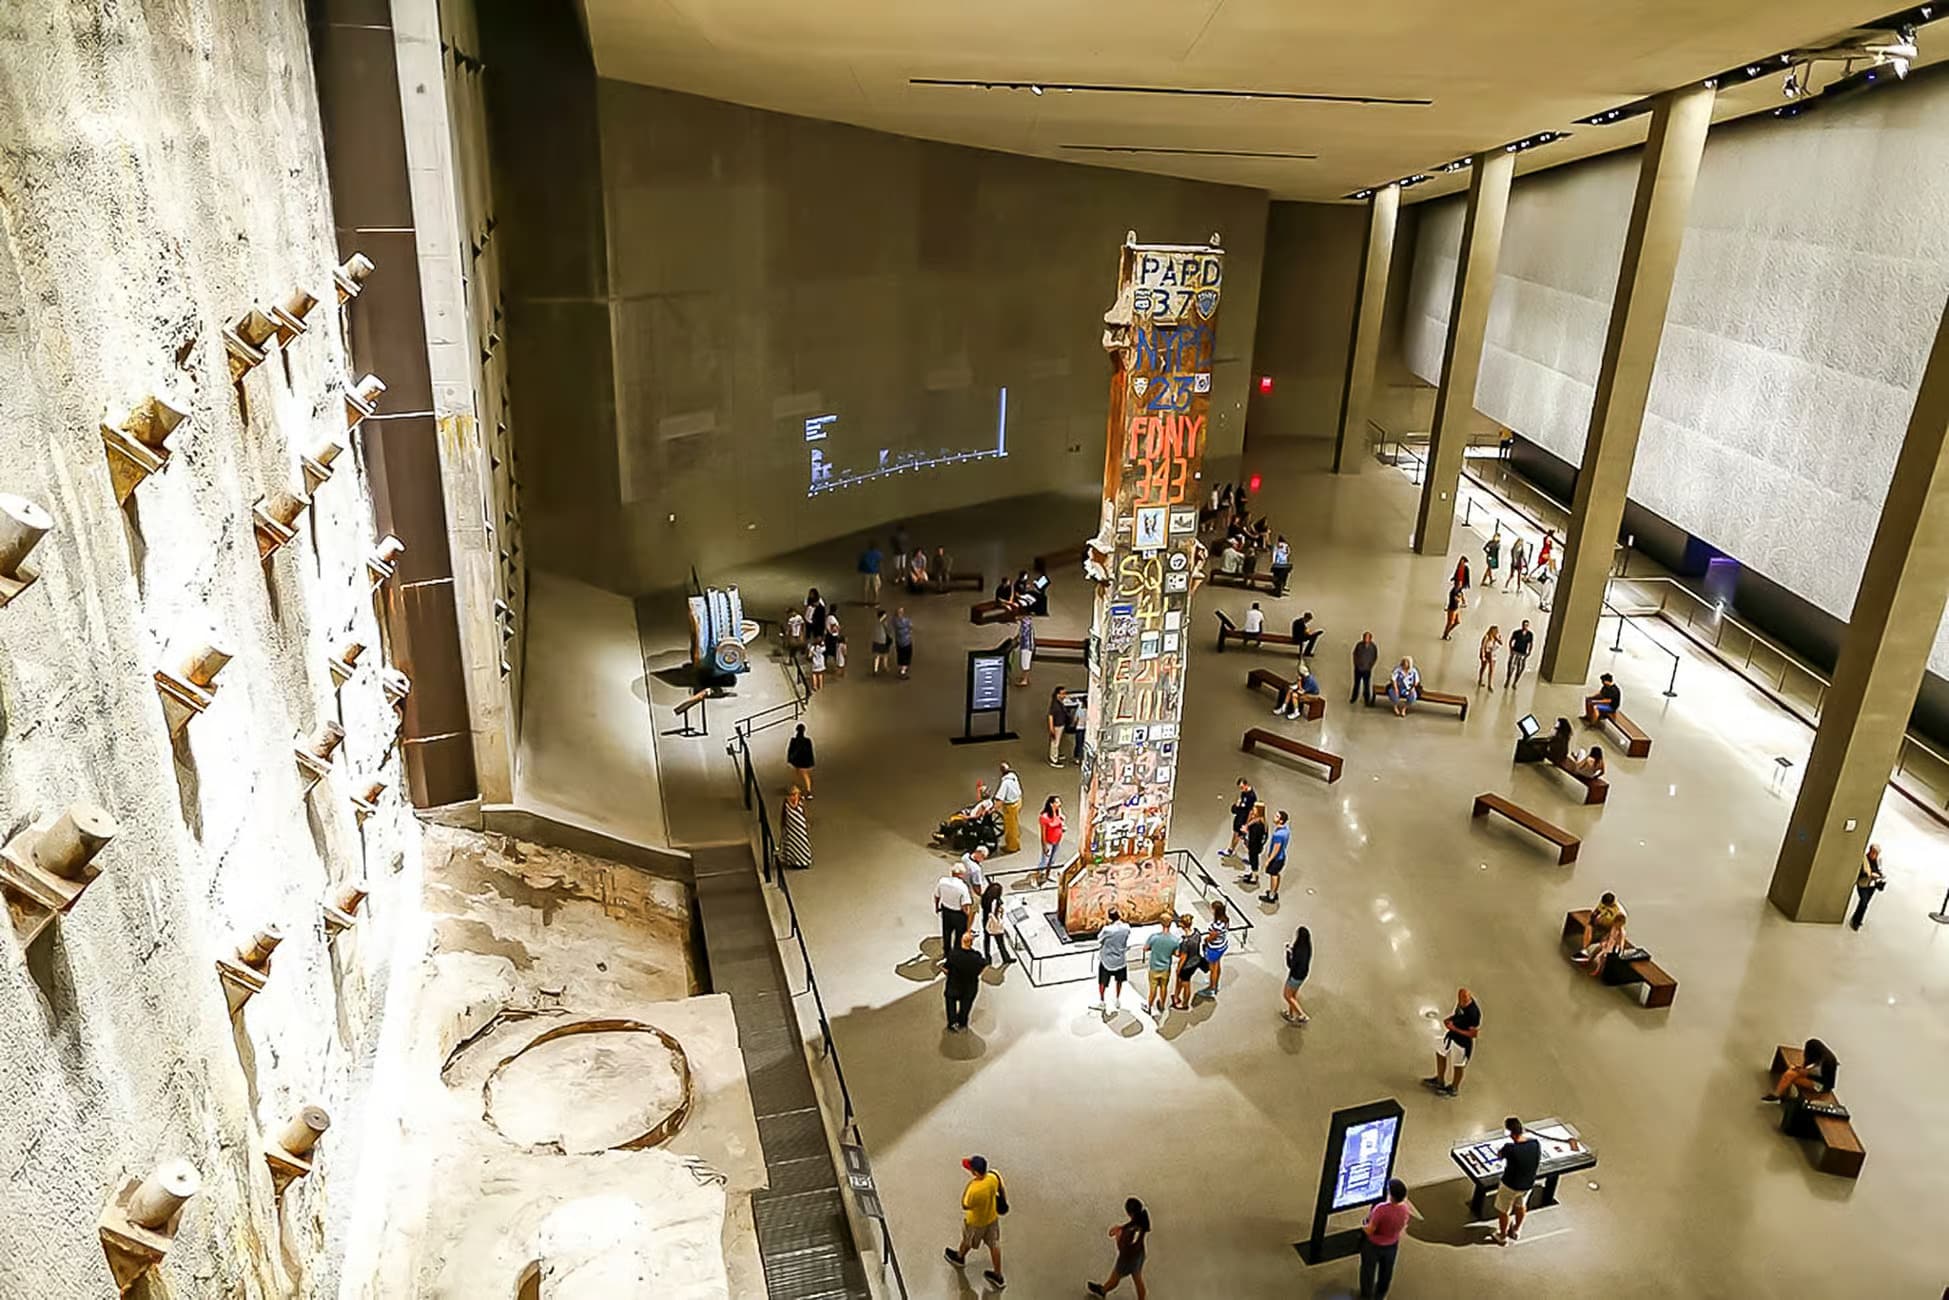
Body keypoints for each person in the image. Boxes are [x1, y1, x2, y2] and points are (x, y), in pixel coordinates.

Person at [944, 1154, 1006, 1289]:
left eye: (971, 1169)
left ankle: (959, 1257)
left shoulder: (974, 1189)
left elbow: (965, 1205)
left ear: (976, 1173)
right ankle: (998, 1276)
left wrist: (968, 1188)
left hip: (976, 1223)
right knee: (994, 1245)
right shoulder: (993, 1176)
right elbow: (1001, 1188)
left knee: (968, 1240)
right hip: (992, 1218)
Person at [1086, 1198, 1151, 1299]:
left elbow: (1122, 1249)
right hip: (1139, 1254)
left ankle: (1103, 1291)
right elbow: (1133, 1224)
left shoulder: (1128, 1233)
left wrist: (1118, 1237)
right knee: (1138, 1279)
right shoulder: (1142, 1220)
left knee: (1115, 1278)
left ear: (1130, 1213)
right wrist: (1121, 1227)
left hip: (1127, 1259)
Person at [1359, 1178, 1412, 1298]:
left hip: (1374, 1245)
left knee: (1368, 1270)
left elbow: (1370, 1230)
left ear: (1391, 1194)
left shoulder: (1381, 1209)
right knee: (1386, 1271)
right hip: (1392, 1245)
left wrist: (1363, 1226)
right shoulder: (1405, 1209)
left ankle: (1366, 1295)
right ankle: (1380, 1294)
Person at [1491, 1117, 1541, 1246]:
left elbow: (1500, 1155)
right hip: (1527, 1184)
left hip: (1510, 1185)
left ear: (1510, 1133)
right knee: (1521, 1205)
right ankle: (1516, 1230)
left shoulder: (1510, 1148)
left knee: (1504, 1210)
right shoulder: (1535, 1144)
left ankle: (1502, 1236)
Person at [1424, 986, 1479, 1096]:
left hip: (1462, 1043)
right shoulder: (1461, 1003)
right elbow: (1457, 1014)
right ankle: (1439, 1080)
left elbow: (1473, 1034)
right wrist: (1450, 1019)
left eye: (1463, 1001)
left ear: (1468, 999)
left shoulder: (1474, 1014)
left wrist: (1454, 1028)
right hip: (1451, 1037)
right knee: (1440, 1052)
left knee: (1458, 1065)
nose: (1460, 1003)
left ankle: (1454, 1088)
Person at [1764, 1036, 1839, 1101]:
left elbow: (1826, 1081)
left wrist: (1807, 1074)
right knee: (1791, 1073)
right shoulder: (1820, 1056)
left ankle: (1778, 1095)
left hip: (1821, 1085)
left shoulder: (1828, 1062)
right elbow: (1809, 1065)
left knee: (1791, 1077)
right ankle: (1778, 1094)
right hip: (1814, 1076)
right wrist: (1800, 1068)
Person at [943, 925, 988, 1031]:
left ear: (961, 941)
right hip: (969, 987)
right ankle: (962, 1022)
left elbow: (945, 969)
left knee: (951, 1003)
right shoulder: (976, 957)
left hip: (954, 985)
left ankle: (952, 1023)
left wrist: (950, 975)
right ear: (971, 942)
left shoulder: (953, 954)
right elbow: (983, 966)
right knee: (966, 1005)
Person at [1574, 891, 1628, 976]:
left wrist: (1612, 943)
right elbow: (1595, 913)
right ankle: (1585, 952)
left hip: (1612, 932)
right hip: (1602, 925)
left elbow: (1618, 932)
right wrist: (1593, 921)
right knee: (1588, 928)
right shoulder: (1603, 903)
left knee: (1602, 948)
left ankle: (1598, 969)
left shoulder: (1620, 914)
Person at [1096, 908, 1131, 1015]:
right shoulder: (1126, 928)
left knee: (1102, 982)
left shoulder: (1107, 930)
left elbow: (1099, 939)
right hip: (1120, 960)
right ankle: (1117, 999)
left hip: (1107, 961)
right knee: (1119, 981)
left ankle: (1102, 1001)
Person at [934, 865, 974, 956]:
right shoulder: (963, 887)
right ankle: (956, 954)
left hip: (946, 911)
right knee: (959, 935)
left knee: (946, 933)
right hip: (959, 914)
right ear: (961, 875)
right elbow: (965, 905)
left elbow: (936, 896)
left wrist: (936, 907)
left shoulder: (942, 881)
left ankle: (947, 952)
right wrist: (968, 917)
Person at [1144, 920, 1179, 1017]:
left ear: (1161, 923)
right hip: (1165, 968)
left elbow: (1145, 948)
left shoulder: (1154, 937)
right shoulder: (1174, 940)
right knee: (1164, 987)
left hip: (1154, 967)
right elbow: (1177, 953)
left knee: (1153, 989)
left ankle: (1149, 1006)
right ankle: (1162, 1004)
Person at [1169, 913, 1203, 1010]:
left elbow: (1183, 957)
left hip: (1187, 966)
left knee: (1186, 984)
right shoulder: (1197, 933)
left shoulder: (1185, 942)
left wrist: (1178, 969)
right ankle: (1176, 997)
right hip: (1196, 960)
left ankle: (1185, 1004)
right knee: (1181, 981)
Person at [1199, 899, 1231, 996]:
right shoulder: (1226, 920)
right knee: (1217, 965)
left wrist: (1206, 940)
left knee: (1213, 968)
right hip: (1222, 945)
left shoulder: (1216, 925)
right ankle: (1215, 983)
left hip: (1214, 948)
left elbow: (1213, 936)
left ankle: (1212, 988)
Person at [1852, 844, 1887, 931]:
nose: (1875, 855)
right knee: (1863, 902)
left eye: (1877, 853)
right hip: (1863, 884)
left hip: (1872, 885)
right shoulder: (1864, 860)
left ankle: (1857, 918)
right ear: (1870, 851)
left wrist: (1880, 875)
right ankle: (1856, 922)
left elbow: (1880, 870)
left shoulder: (1878, 861)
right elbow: (1859, 872)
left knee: (1865, 904)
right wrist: (1870, 875)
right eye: (1874, 853)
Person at [1219, 778, 1257, 858]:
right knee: (1235, 833)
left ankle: (1251, 855)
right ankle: (1231, 849)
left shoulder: (1251, 796)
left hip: (1244, 819)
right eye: (1240, 788)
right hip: (1239, 816)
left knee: (1239, 836)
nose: (1241, 789)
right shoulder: (1243, 793)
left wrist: (1247, 824)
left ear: (1246, 785)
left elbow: (1251, 811)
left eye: (1242, 787)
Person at [1281, 922, 1311, 1023]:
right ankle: (1290, 1015)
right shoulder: (1307, 948)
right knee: (1293, 995)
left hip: (1295, 976)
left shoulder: (1298, 952)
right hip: (1303, 975)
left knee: (1287, 995)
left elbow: (1290, 965)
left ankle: (1302, 1015)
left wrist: (1288, 953)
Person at [979, 880, 1013, 967]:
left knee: (987, 939)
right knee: (1000, 941)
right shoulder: (995, 902)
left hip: (986, 921)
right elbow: (995, 913)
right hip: (994, 922)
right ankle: (1005, 957)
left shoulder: (985, 898)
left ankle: (987, 957)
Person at [778, 786, 813, 869]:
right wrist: (783, 825)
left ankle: (804, 861)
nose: (793, 796)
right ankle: (793, 861)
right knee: (791, 844)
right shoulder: (786, 803)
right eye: (792, 794)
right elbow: (783, 815)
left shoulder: (801, 801)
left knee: (802, 842)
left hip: (800, 826)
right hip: (791, 827)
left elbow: (804, 813)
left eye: (795, 794)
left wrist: (806, 822)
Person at [1235, 804, 1269, 888]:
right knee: (1254, 859)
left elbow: (1253, 837)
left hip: (1254, 846)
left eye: (1255, 808)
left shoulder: (1258, 824)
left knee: (1253, 860)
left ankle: (1254, 877)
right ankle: (1254, 873)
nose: (1253, 809)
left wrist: (1246, 832)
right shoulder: (1260, 821)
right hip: (1256, 845)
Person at [1261, 810, 1291, 904]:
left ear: (1281, 821)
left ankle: (1271, 895)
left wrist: (1268, 860)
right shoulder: (1286, 830)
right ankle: (1274, 891)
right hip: (1282, 857)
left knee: (1273, 875)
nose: (1274, 817)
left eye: (1277, 816)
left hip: (1276, 859)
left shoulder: (1278, 835)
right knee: (1276, 874)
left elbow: (1276, 849)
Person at [1035, 795, 1065, 885]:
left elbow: (1060, 823)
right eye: (1057, 802)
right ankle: (1037, 878)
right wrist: (1044, 846)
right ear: (1051, 804)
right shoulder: (1044, 817)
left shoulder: (1058, 813)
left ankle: (1048, 875)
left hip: (1057, 840)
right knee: (1044, 862)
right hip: (1049, 842)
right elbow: (1043, 833)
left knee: (1052, 860)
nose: (1060, 804)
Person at [786, 723, 815, 795]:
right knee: (804, 775)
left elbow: (790, 750)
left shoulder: (794, 740)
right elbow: (810, 752)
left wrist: (789, 759)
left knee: (798, 775)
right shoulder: (807, 741)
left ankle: (801, 790)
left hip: (797, 760)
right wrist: (811, 762)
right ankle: (806, 790)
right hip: (805, 760)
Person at [1351, 632, 1379, 706]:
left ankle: (1367, 699)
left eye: (1367, 638)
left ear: (1370, 639)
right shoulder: (1359, 645)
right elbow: (1354, 654)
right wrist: (1356, 664)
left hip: (1367, 669)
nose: (1365, 639)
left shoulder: (1373, 647)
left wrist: (1370, 665)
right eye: (1364, 637)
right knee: (1356, 684)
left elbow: (1375, 657)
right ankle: (1354, 697)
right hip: (1358, 669)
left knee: (1366, 685)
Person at [1505, 619, 1534, 687]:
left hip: (1523, 653)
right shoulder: (1516, 632)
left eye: (1527, 625)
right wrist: (1511, 649)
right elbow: (1511, 640)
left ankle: (1515, 682)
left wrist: (1529, 652)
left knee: (1520, 668)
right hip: (1515, 651)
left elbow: (1530, 643)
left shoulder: (1530, 634)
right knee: (1511, 667)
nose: (1525, 626)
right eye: (1524, 625)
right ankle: (1508, 680)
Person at [1047, 686, 1070, 767]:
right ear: (1057, 694)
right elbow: (1050, 716)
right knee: (1055, 743)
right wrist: (1051, 728)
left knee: (1057, 741)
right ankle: (1053, 759)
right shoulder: (1055, 705)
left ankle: (1056, 754)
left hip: (1060, 724)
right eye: (1062, 694)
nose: (1064, 695)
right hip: (1057, 726)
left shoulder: (1059, 702)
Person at [1477, 624, 1502, 689]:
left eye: (1496, 631)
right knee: (1483, 667)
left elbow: (1501, 643)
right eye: (1494, 631)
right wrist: (1482, 655)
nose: (1495, 632)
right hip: (1487, 653)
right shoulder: (1486, 637)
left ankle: (1490, 684)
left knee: (1491, 669)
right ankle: (1480, 679)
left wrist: (1498, 639)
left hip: (1493, 653)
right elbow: (1482, 646)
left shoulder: (1497, 637)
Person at [857, 538, 882, 604]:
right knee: (875, 587)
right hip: (874, 572)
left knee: (865, 587)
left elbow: (861, 562)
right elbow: (880, 564)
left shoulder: (865, 554)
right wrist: (881, 573)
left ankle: (865, 601)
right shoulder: (878, 554)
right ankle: (875, 601)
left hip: (866, 572)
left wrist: (859, 569)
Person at [1015, 609, 1035, 686]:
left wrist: (1017, 639)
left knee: (1025, 663)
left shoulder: (1026, 623)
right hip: (1026, 645)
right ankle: (1023, 677)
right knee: (1024, 662)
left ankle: (1025, 680)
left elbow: (1024, 634)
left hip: (1027, 645)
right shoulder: (1026, 623)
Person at [892, 606, 914, 678]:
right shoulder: (906, 620)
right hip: (906, 642)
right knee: (907, 656)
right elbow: (911, 627)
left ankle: (900, 667)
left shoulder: (894, 620)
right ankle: (903, 672)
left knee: (900, 655)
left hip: (898, 642)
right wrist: (909, 631)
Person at [871, 607, 892, 675]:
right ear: (883, 615)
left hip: (876, 640)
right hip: (883, 641)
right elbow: (888, 631)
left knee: (877, 655)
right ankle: (885, 666)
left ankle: (875, 669)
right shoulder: (884, 622)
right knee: (885, 654)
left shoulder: (875, 622)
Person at [824, 608, 845, 677]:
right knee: (834, 652)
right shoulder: (832, 618)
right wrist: (838, 628)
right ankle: (836, 669)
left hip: (829, 637)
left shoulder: (828, 617)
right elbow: (833, 628)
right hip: (832, 637)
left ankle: (830, 666)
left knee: (828, 651)